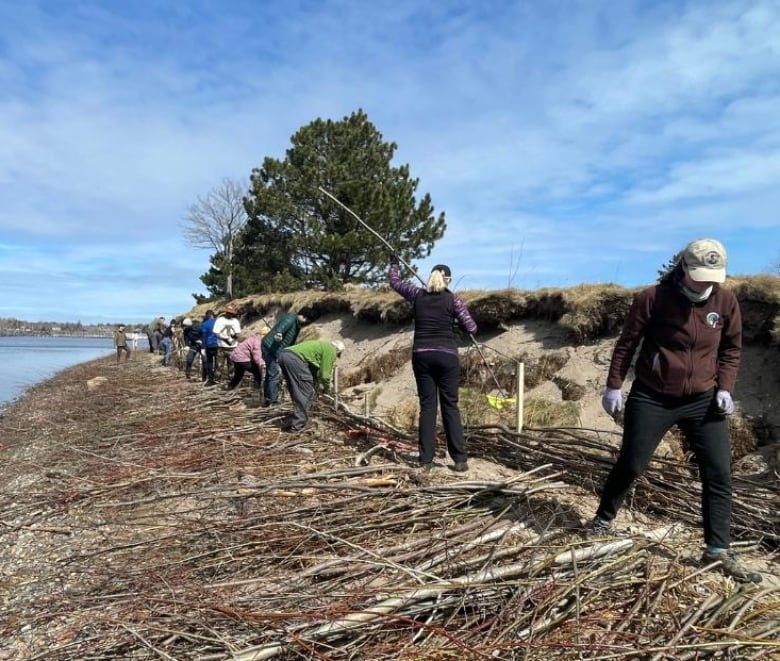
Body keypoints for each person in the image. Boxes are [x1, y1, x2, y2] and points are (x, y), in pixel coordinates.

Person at [591, 238, 761, 583]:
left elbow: (731, 348)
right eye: (699, 275)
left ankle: (717, 550)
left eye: (712, 276)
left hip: (702, 399)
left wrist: (725, 388)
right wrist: (613, 385)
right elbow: (627, 344)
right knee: (633, 463)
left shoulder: (725, 301)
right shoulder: (652, 298)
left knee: (718, 473)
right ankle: (602, 520)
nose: (705, 283)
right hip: (653, 395)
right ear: (683, 268)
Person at [389, 257, 478, 473]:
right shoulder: (453, 300)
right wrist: (456, 324)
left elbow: (395, 282)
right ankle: (459, 459)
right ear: (448, 280)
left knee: (428, 407)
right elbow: (472, 328)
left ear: (430, 277)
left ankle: (426, 460)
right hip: (447, 356)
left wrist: (394, 264)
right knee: (450, 406)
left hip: (422, 355)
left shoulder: (417, 295)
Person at [278, 339, 343, 432]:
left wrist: (316, 385)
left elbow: (314, 372)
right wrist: (327, 389)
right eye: (337, 355)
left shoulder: (321, 346)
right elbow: (325, 375)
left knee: (296, 391)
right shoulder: (331, 350)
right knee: (306, 393)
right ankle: (298, 426)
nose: (336, 357)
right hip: (295, 360)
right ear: (338, 350)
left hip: (284, 355)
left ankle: (296, 420)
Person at [261, 307, 315, 407]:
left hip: (274, 350)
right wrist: (278, 334)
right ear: (302, 316)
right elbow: (281, 327)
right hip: (270, 349)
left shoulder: (297, 324)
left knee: (270, 375)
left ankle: (267, 399)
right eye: (306, 319)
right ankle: (273, 402)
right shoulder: (291, 318)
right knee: (274, 375)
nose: (306, 322)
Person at [200, 309, 218, 386]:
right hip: (218, 345)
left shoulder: (204, 324)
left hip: (209, 345)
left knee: (209, 362)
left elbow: (204, 337)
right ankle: (218, 378)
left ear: (206, 315)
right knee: (218, 362)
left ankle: (211, 378)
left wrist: (203, 347)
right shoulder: (218, 322)